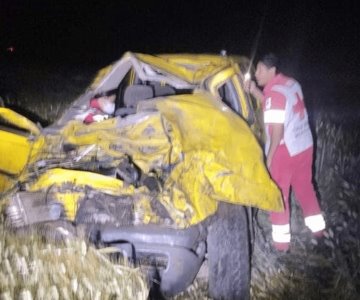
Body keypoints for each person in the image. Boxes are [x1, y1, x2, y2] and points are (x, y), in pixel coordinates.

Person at [245, 53, 326, 251]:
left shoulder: (274, 94)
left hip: (285, 150)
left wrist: (269, 160)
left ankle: (281, 246)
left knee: (279, 196)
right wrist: (255, 90)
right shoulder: (290, 83)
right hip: (304, 145)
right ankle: (319, 234)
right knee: (305, 189)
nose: (256, 74)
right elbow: (275, 106)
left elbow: (277, 132)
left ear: (272, 70)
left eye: (260, 70)